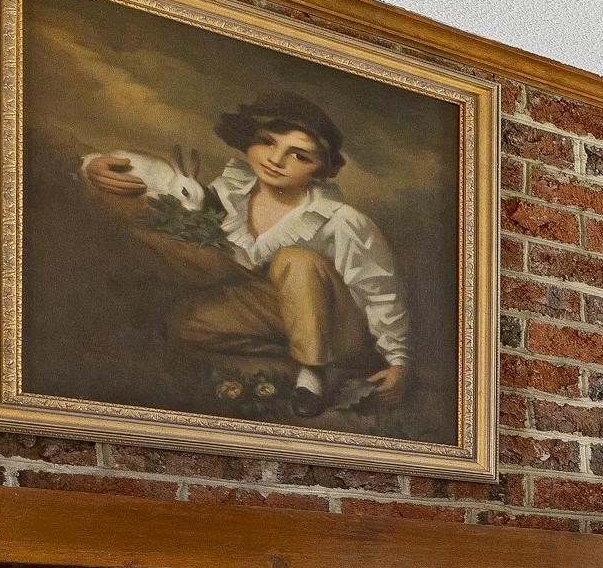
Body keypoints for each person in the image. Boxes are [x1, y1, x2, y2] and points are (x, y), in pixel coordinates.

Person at [78, 90, 410, 420]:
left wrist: (397, 361)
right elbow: (164, 183)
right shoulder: (228, 196)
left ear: (320, 169)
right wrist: (95, 166)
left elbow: (378, 291)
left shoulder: (340, 220)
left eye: (300, 156)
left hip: (339, 327)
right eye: (267, 142)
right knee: (187, 322)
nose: (276, 160)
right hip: (278, 311)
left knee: (295, 260)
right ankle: (300, 356)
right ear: (249, 141)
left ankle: (313, 372)